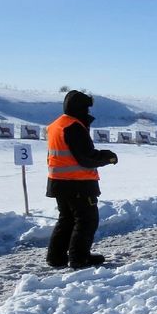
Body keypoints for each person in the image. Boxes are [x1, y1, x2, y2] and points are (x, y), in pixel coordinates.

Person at [46, 90, 118, 269]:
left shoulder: (56, 125)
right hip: (77, 183)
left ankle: (56, 257)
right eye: (86, 108)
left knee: (67, 219)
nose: (88, 112)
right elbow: (86, 157)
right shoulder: (74, 126)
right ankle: (79, 258)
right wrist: (108, 157)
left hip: (58, 181)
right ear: (80, 108)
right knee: (86, 220)